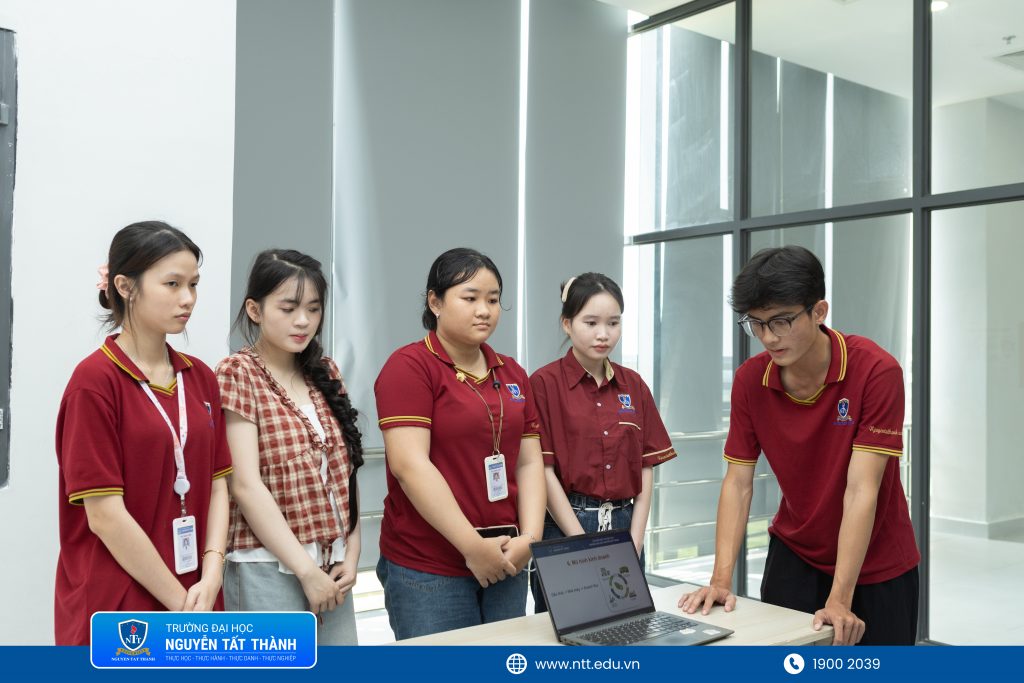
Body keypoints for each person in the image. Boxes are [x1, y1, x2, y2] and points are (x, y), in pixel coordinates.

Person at [678, 245, 920, 646]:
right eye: (756, 324)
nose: (768, 337)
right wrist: (720, 580)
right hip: (796, 555)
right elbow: (738, 483)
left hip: (878, 563)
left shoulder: (876, 371)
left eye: (782, 321)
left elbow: (861, 489)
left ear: (819, 311)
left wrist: (839, 599)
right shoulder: (750, 380)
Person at [54, 221, 231, 645]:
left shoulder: (200, 377)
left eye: (193, 284)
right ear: (125, 286)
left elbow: (218, 484)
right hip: (120, 603)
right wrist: (181, 607)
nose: (188, 298)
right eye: (172, 284)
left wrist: (212, 572)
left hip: (198, 594)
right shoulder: (94, 383)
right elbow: (105, 516)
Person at [374, 248, 545, 640]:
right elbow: (409, 466)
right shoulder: (410, 366)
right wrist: (472, 548)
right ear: (435, 302)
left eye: (493, 300)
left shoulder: (512, 372)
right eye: (470, 298)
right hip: (430, 566)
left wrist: (531, 539)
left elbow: (529, 462)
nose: (484, 310)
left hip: (507, 555)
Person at [216, 250, 364, 645]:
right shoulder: (238, 373)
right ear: (255, 309)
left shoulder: (325, 372)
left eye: (313, 309)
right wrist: (306, 571)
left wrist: (351, 555)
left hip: (332, 566)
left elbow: (346, 471)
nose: (303, 321)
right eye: (289, 308)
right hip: (266, 568)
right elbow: (245, 485)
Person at [528, 273, 676, 613]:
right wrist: (582, 544)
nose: (603, 334)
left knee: (626, 626)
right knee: (567, 628)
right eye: (591, 322)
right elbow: (543, 471)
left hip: (625, 525)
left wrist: (635, 542)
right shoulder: (544, 384)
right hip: (566, 526)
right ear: (567, 324)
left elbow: (646, 466)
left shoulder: (633, 385)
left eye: (613, 322)